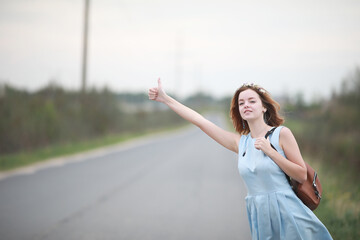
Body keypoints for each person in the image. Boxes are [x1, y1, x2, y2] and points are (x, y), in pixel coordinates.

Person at [148, 78, 333, 240]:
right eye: (241, 103)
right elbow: (201, 121)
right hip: (259, 216)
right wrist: (166, 99)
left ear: (263, 107)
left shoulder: (281, 135)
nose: (246, 105)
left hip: (288, 213)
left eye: (252, 101)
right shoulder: (240, 143)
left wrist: (271, 152)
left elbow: (301, 175)